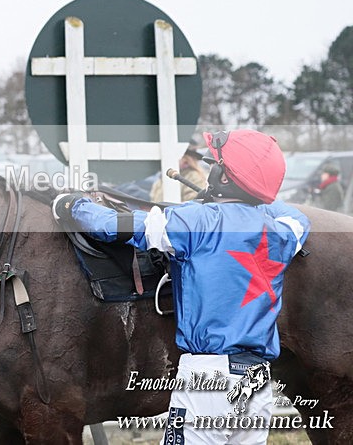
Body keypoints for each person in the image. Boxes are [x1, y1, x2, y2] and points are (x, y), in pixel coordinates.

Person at [52, 129, 310, 445]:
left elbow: (111, 226)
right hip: (258, 384)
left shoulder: (194, 220)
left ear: (225, 179)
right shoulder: (284, 231)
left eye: (218, 165)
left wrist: (70, 206)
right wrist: (250, 204)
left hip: (208, 381)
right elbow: (297, 217)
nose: (212, 169)